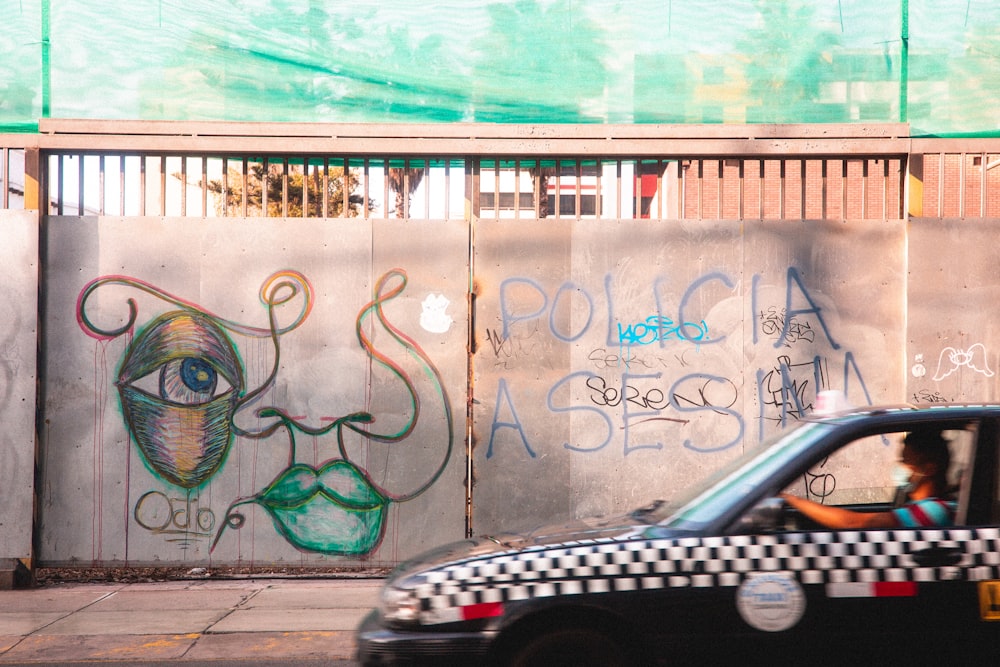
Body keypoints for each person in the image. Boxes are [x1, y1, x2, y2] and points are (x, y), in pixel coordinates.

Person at [780, 429, 956, 529]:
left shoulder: (933, 511)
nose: (900, 465)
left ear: (929, 468)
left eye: (906, 461)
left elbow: (852, 523)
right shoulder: (922, 507)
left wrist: (792, 499)